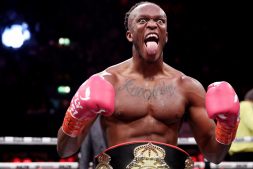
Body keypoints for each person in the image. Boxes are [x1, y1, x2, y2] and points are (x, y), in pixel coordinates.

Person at [57, 1, 240, 168]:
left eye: (160, 21)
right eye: (142, 20)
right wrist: (76, 116)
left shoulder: (187, 87)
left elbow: (214, 155)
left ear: (165, 35)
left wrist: (227, 126)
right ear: (130, 35)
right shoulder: (108, 81)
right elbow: (65, 149)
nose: (152, 24)